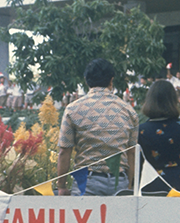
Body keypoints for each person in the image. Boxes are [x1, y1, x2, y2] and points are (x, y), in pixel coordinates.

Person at [57, 58, 138, 196]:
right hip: (119, 181)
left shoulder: (73, 109)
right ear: (111, 80)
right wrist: (130, 185)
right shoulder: (128, 110)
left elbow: (65, 151)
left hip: (86, 181)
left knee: (83, 218)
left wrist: (61, 186)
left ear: (86, 81)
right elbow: (132, 153)